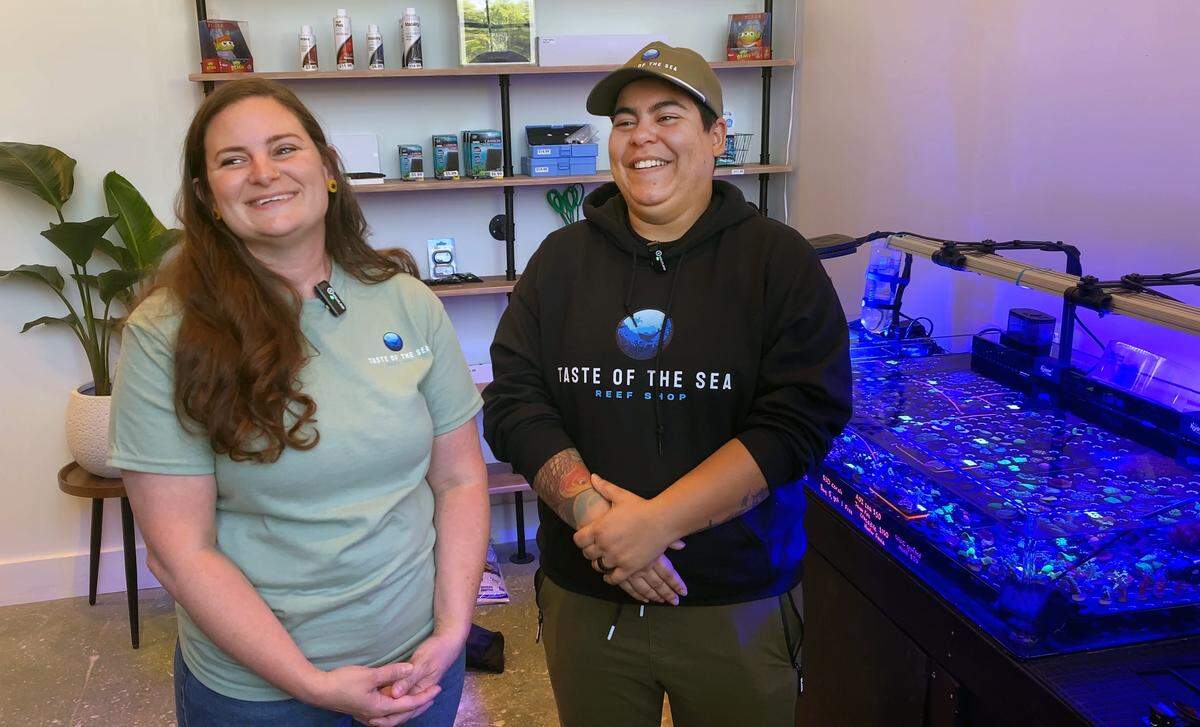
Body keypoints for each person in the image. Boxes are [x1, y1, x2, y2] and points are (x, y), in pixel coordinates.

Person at [482, 42, 852, 726]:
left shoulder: (779, 262)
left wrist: (657, 524)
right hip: (588, 593)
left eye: (667, 114)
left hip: (735, 600)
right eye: (625, 120)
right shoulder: (559, 261)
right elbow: (513, 403)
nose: (641, 135)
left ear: (716, 136)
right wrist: (598, 518)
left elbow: (798, 419)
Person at [108, 79, 488, 727]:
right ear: (207, 197)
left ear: (327, 168)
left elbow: (458, 478)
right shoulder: (164, 332)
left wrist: (453, 631)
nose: (263, 173)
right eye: (233, 160)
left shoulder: (405, 301)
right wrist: (311, 683)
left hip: (421, 665)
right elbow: (181, 550)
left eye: (284, 148)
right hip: (263, 693)